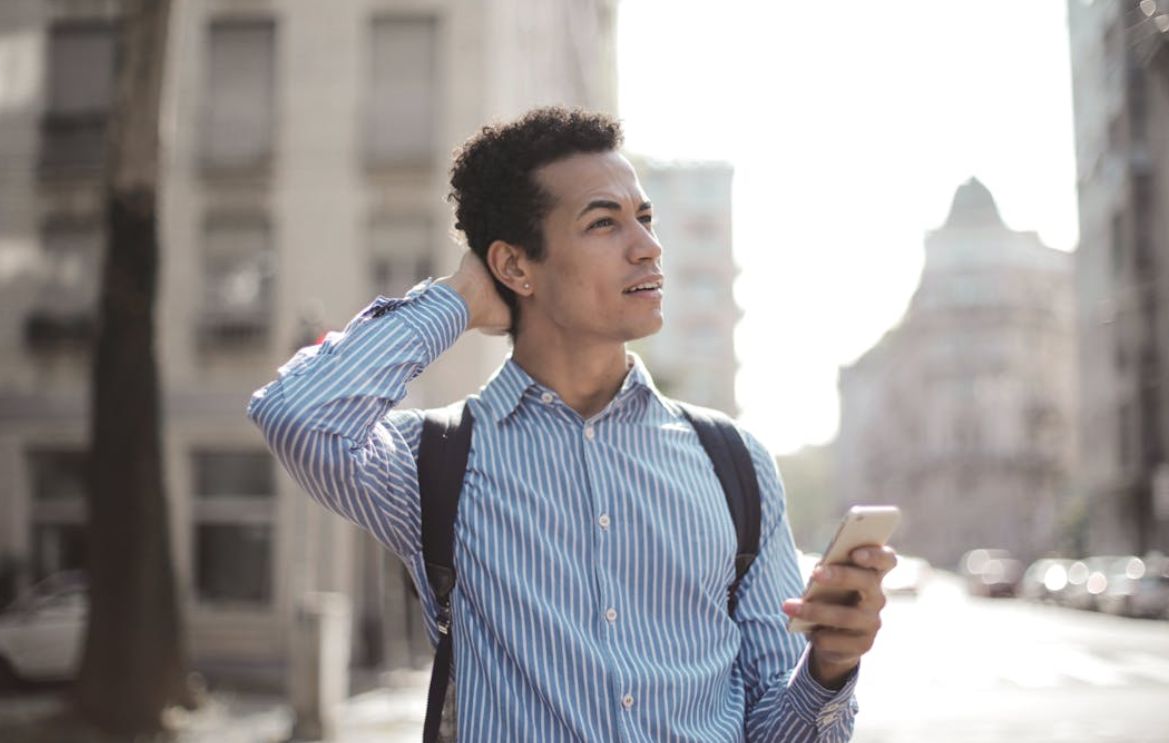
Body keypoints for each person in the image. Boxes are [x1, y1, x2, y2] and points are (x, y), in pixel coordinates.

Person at [247, 106, 895, 742]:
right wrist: (457, 298)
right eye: (603, 223)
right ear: (515, 266)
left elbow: (780, 734)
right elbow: (298, 412)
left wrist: (827, 668)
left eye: (643, 217)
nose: (648, 246)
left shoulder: (734, 464)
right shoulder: (434, 462)